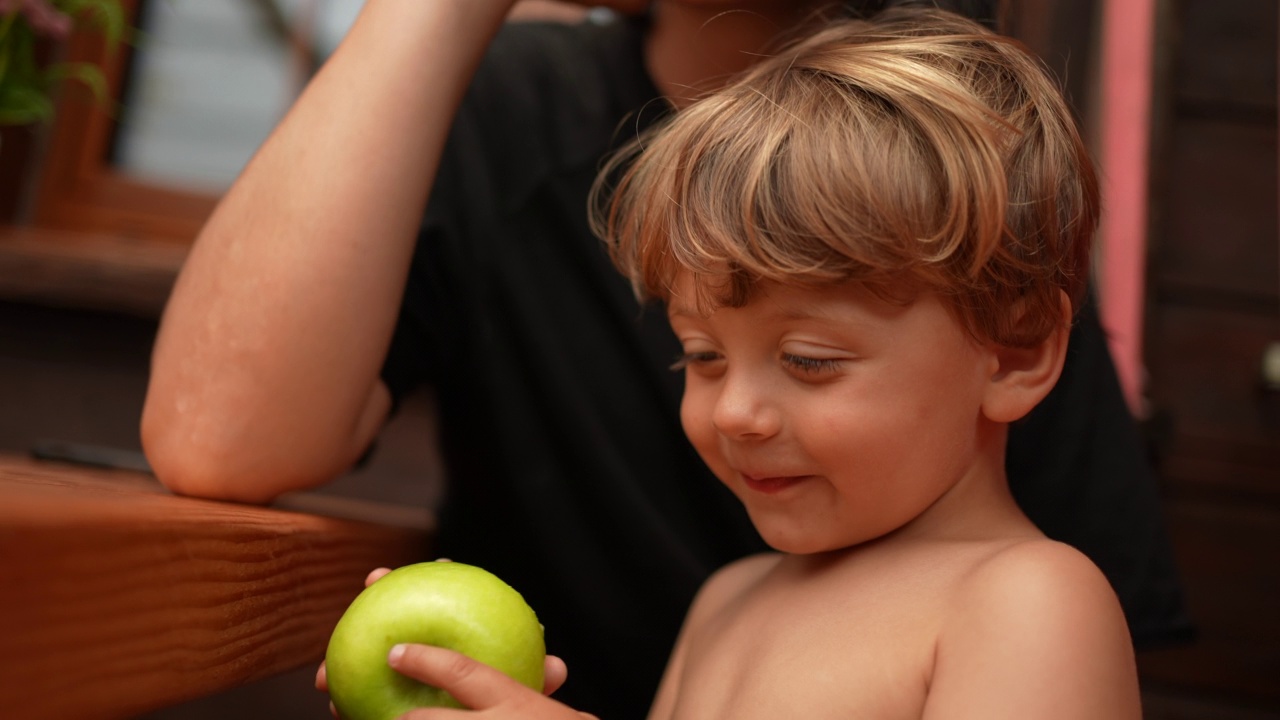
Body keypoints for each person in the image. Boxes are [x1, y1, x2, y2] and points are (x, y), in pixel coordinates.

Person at [140, 1, 1187, 718]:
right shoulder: (725, 603)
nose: (733, 412)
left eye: (811, 361)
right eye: (697, 355)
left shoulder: (1028, 604)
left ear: (1015, 351)